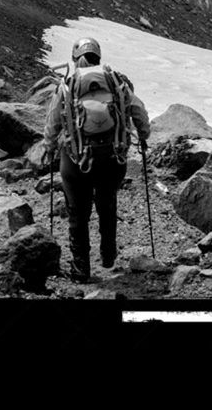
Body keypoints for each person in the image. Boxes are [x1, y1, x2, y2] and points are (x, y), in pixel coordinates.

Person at [42, 37, 150, 283]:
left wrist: (49, 147)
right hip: (112, 158)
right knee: (107, 203)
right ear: (98, 58)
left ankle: (81, 269)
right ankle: (108, 255)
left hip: (76, 158)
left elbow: (52, 122)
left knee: (77, 213)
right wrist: (143, 136)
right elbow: (138, 111)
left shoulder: (68, 84)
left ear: (74, 57)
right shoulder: (115, 81)